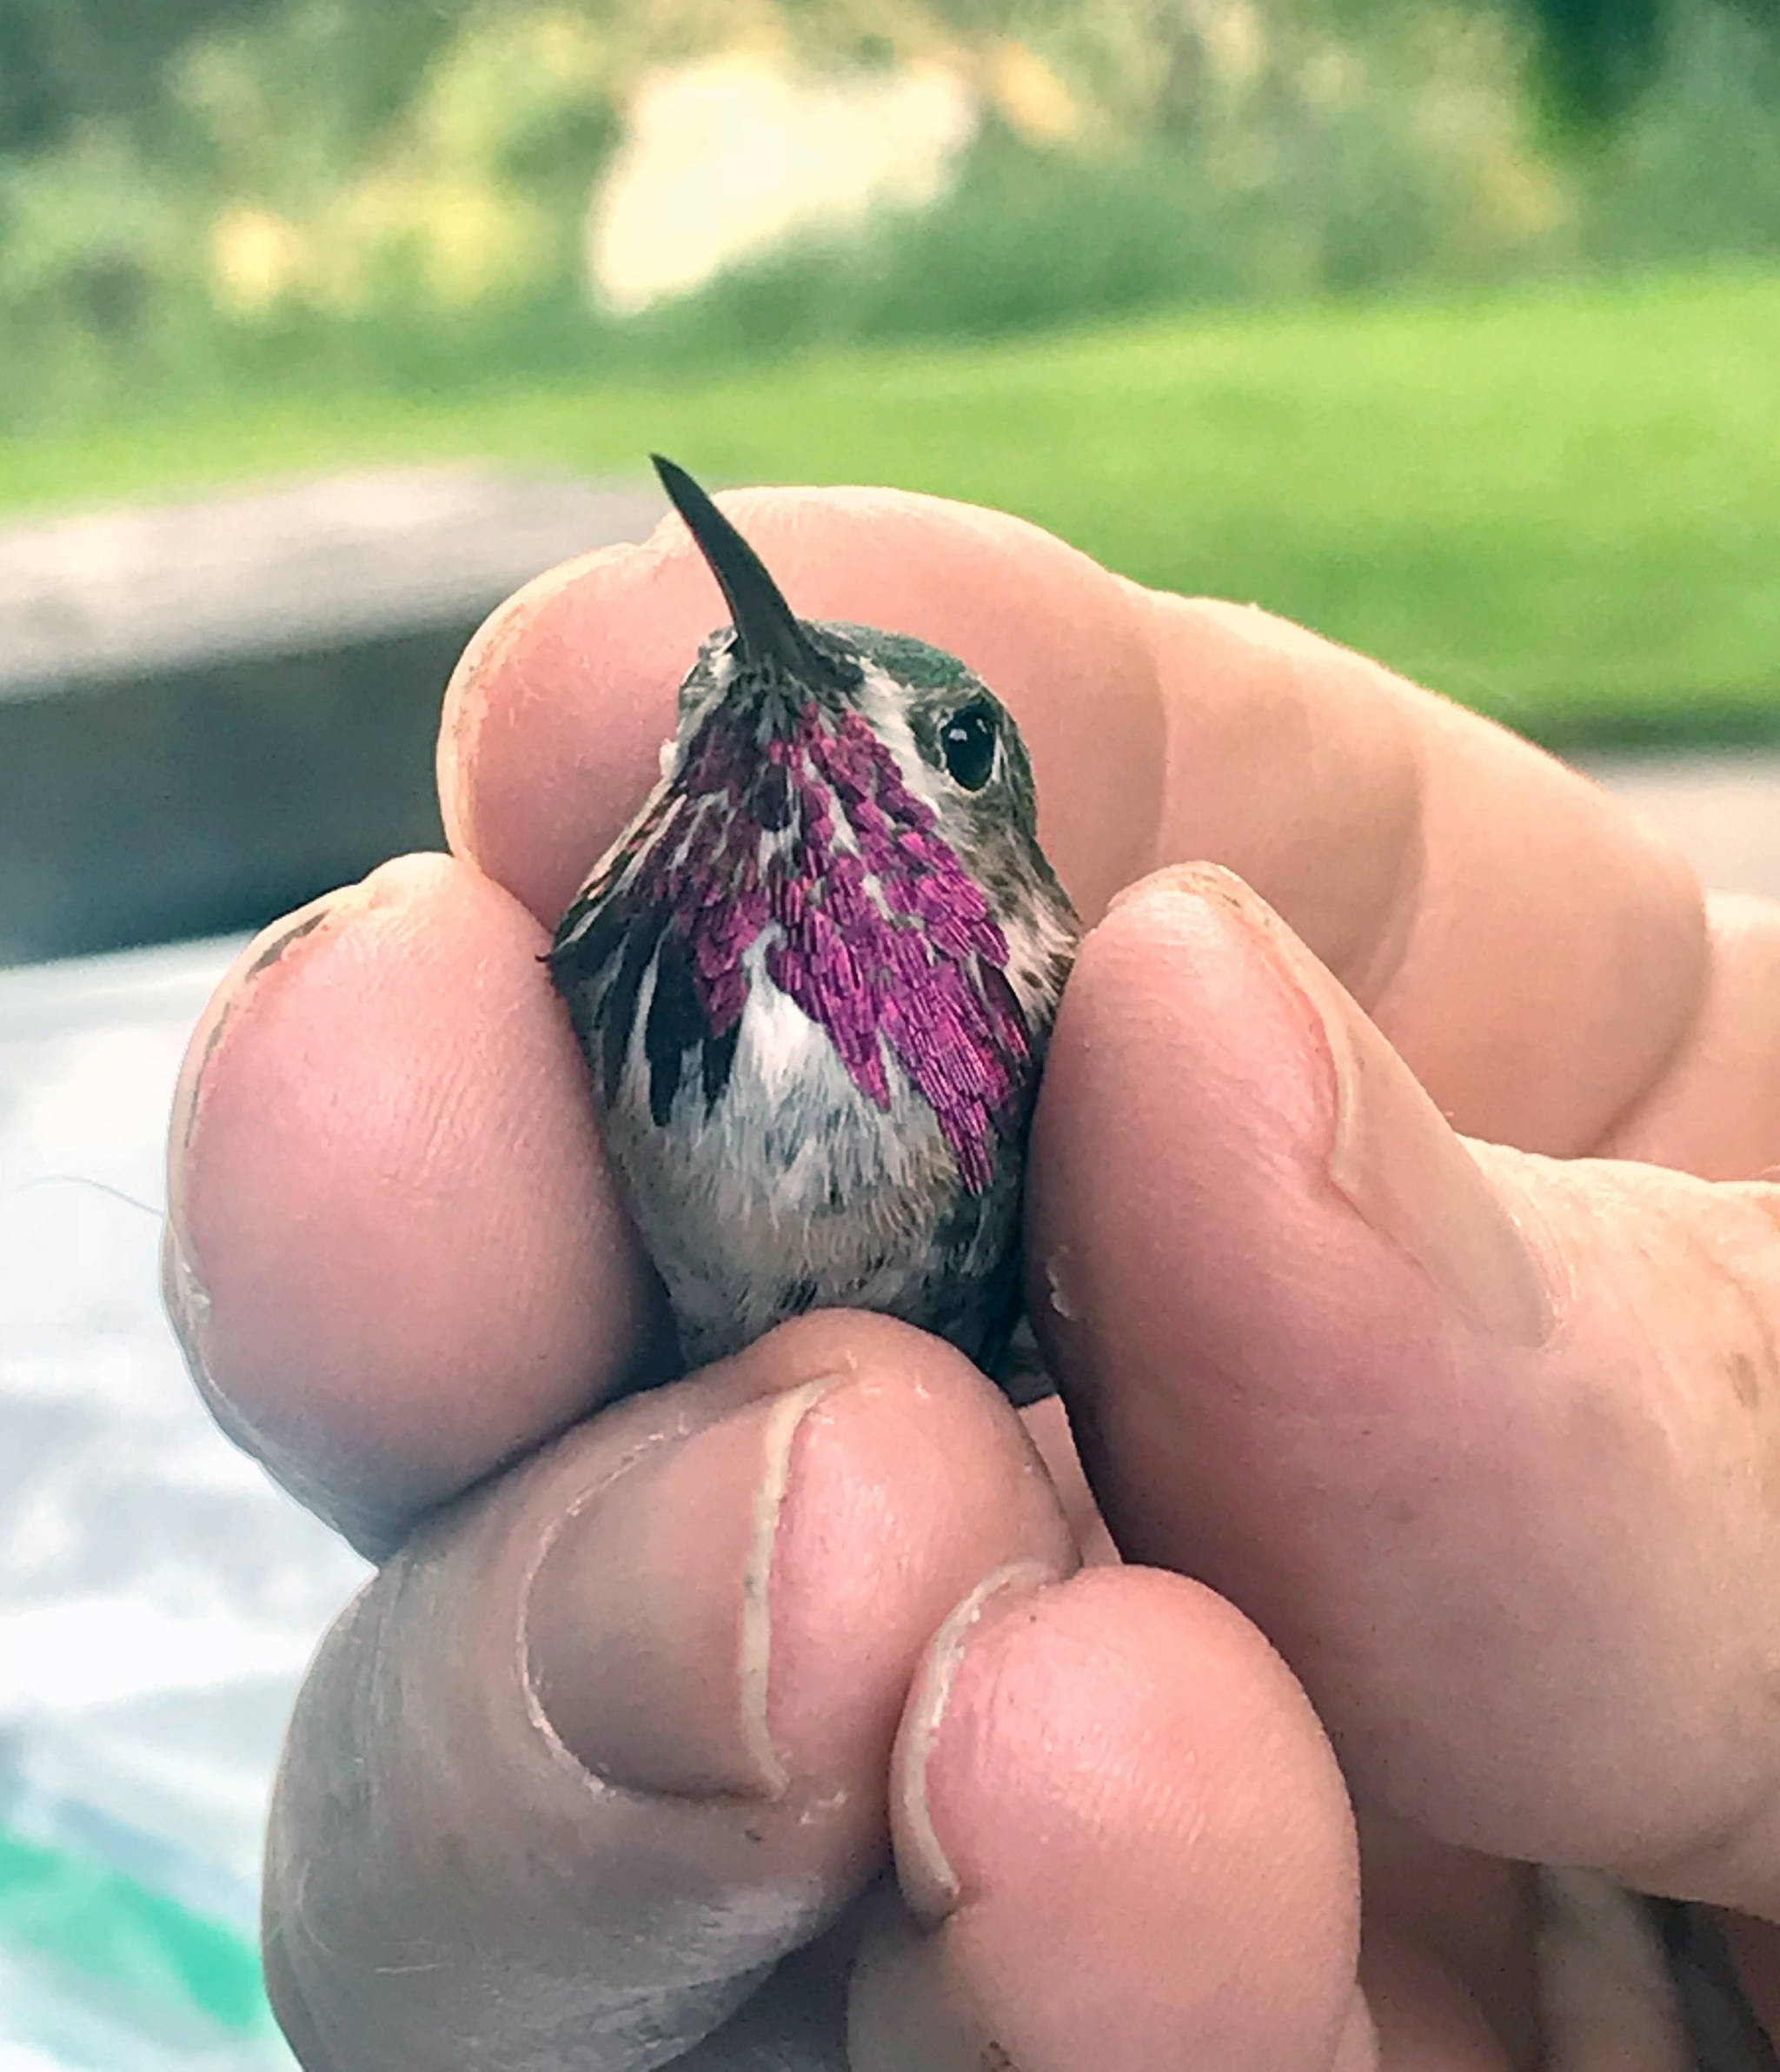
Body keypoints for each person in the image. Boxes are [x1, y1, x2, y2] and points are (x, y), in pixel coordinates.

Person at [162, 484, 1780, 2069]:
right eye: (699, 717)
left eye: (950, 753)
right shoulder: (602, 992)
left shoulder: (1091, 1035)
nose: (780, 717)